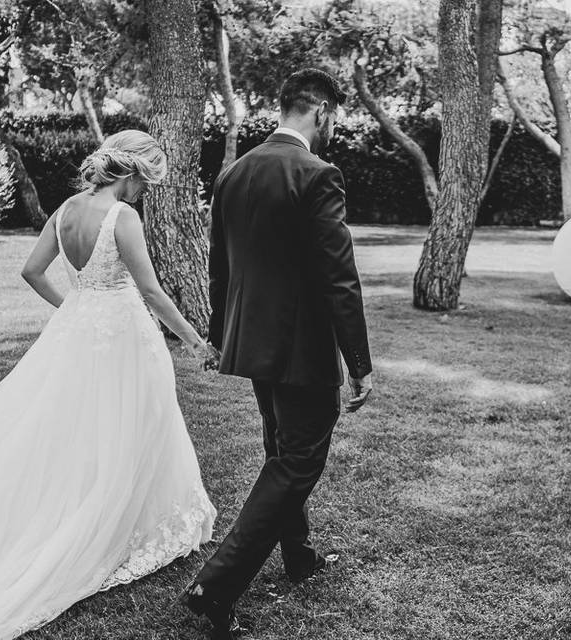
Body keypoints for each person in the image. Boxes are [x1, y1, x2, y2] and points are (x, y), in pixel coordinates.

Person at [0, 130, 217, 639]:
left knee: (78, 425)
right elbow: (150, 290)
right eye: (147, 180)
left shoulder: (66, 209)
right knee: (136, 422)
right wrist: (194, 341)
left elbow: (32, 271)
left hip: (82, 332)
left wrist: (74, 309)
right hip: (123, 335)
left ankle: (94, 506)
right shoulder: (124, 216)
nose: (147, 191)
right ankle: (117, 520)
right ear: (133, 172)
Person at [179, 68, 374, 640]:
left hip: (254, 341)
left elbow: (221, 267)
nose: (333, 126)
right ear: (321, 112)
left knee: (281, 449)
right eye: (334, 117)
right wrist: (359, 364)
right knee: (298, 461)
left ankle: (299, 557)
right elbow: (340, 278)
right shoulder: (319, 173)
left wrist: (220, 333)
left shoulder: (234, 173)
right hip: (302, 348)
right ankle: (215, 586)